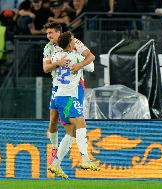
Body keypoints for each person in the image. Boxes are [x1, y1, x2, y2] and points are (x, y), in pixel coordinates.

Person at [47, 31, 99, 179]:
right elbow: (92, 66)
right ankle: (85, 159)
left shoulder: (56, 56)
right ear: (70, 43)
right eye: (73, 40)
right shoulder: (76, 56)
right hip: (68, 97)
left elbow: (51, 66)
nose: (75, 41)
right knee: (81, 125)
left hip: (58, 97)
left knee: (71, 132)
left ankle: (56, 164)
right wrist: (81, 61)